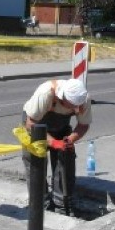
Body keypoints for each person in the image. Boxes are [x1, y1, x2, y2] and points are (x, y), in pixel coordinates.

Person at [22, 78, 92, 213]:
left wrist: (70, 139)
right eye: (70, 105)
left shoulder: (84, 98)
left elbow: (83, 125)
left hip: (61, 127)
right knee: (36, 162)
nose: (73, 109)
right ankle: (41, 204)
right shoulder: (46, 94)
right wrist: (53, 142)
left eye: (75, 106)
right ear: (62, 97)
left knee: (66, 158)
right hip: (35, 124)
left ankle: (62, 204)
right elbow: (31, 124)